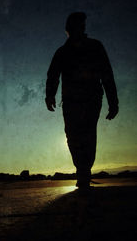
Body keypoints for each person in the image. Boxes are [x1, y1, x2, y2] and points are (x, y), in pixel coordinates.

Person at [45, 12, 119, 192]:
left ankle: (84, 171)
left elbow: (107, 74)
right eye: (75, 26)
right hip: (71, 101)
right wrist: (50, 95)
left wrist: (113, 101)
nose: (79, 29)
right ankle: (82, 169)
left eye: (81, 25)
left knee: (87, 134)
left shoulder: (95, 47)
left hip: (91, 99)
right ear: (68, 29)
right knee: (73, 135)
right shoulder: (62, 52)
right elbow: (53, 74)